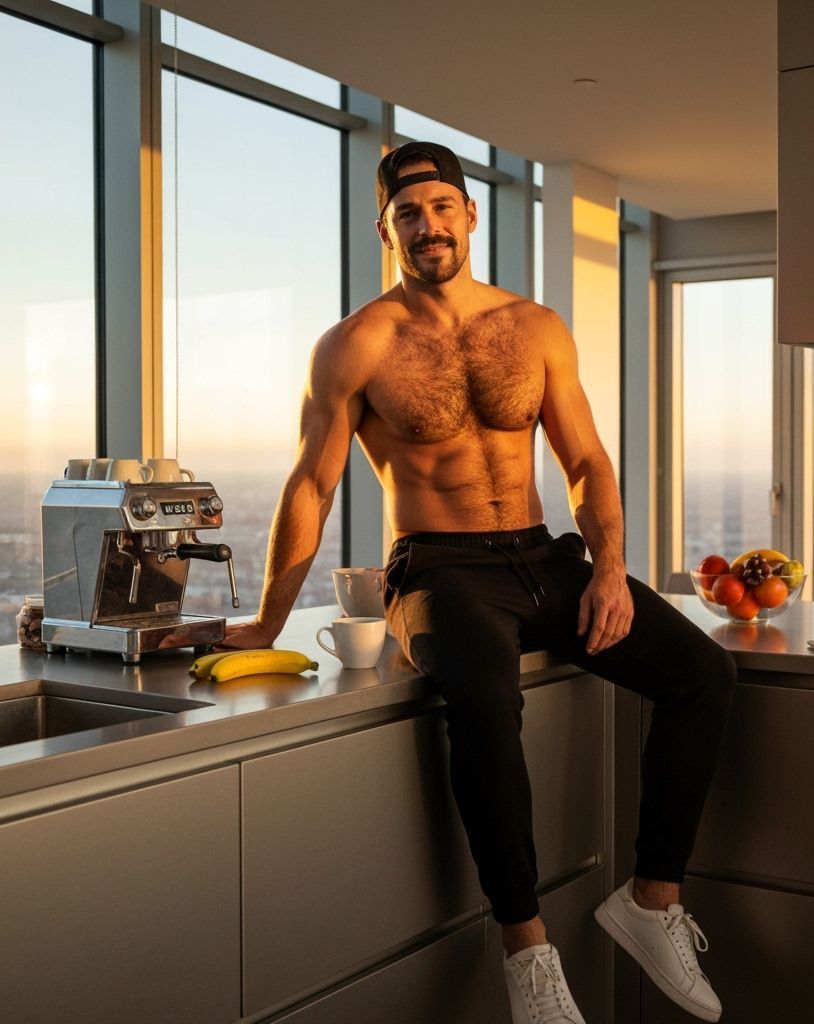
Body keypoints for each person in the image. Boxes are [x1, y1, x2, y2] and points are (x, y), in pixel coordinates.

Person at [224, 140, 736, 1024]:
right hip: (439, 567)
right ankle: (526, 951)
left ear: (470, 214)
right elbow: (311, 483)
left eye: (441, 209)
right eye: (407, 215)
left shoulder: (533, 327)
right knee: (488, 698)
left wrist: (609, 569)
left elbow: (586, 462)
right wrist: (266, 624)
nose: (428, 228)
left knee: (704, 674)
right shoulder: (357, 344)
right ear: (385, 230)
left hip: (543, 557)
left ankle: (651, 900)